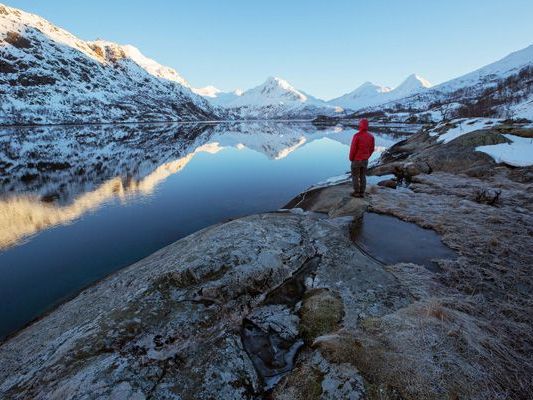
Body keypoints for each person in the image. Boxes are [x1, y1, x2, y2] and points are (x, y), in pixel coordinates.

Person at [349, 118, 375, 198]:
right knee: (363, 176)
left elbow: (353, 149)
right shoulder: (371, 136)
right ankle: (362, 192)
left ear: (360, 125)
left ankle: (357, 192)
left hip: (356, 160)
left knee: (355, 176)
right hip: (365, 160)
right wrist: (367, 156)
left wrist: (351, 158)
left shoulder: (357, 136)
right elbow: (372, 149)